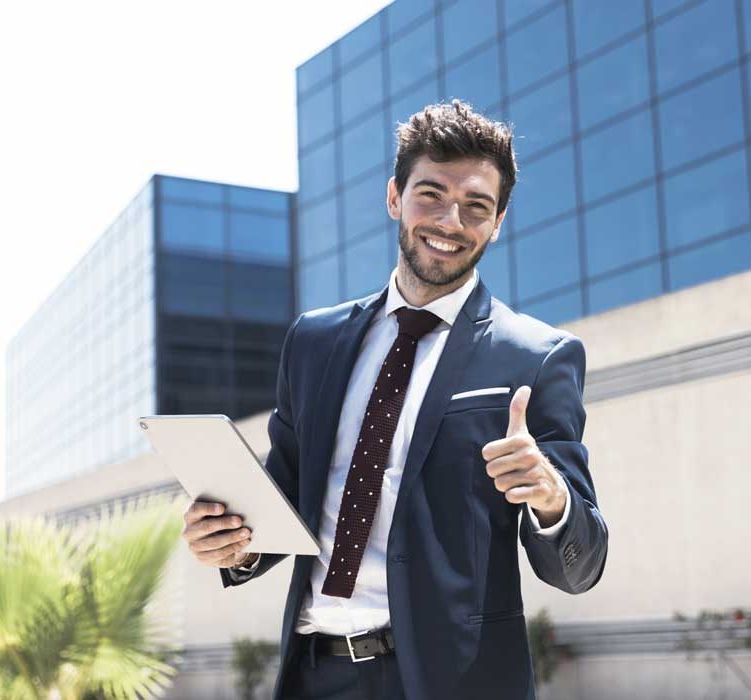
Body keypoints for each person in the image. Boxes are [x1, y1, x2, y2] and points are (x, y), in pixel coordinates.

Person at [182, 100, 608, 700]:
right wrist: (230, 540)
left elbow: (580, 563)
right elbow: (284, 494)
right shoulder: (313, 341)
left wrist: (551, 496)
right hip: (315, 674)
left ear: (499, 221)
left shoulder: (537, 357)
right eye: (430, 194)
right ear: (394, 197)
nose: (451, 221)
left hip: (451, 680)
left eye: (476, 206)